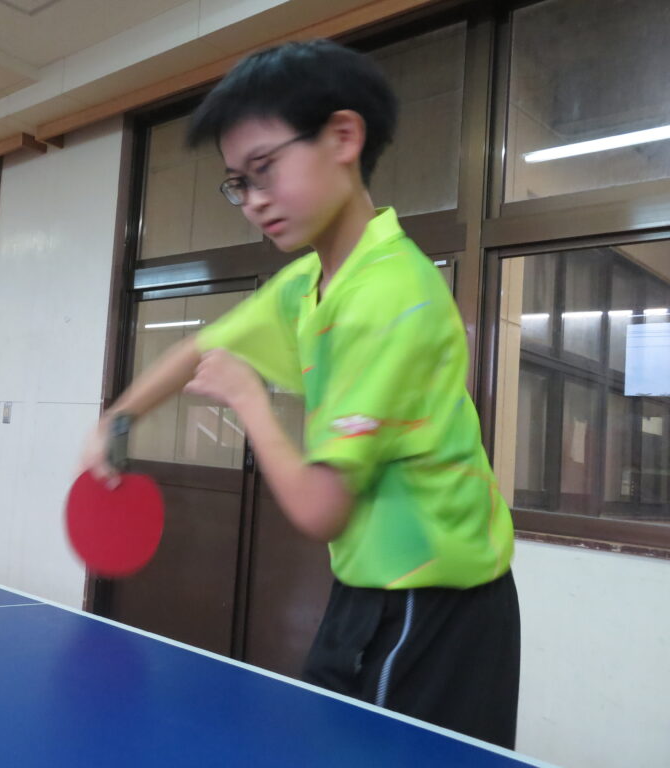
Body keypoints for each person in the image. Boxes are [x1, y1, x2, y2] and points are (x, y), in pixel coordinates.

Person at [79, 39, 520, 748]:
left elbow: (320, 508)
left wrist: (251, 402)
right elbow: (202, 348)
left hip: (434, 608)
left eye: (265, 169)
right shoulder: (311, 282)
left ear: (343, 137)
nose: (253, 201)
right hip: (369, 591)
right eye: (238, 183)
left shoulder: (390, 295)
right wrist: (118, 420)